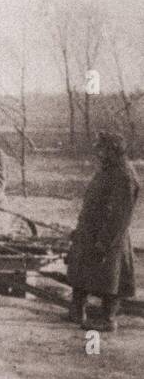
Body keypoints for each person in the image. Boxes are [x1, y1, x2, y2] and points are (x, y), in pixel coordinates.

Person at [66, 131, 139, 332]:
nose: (98, 152)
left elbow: (120, 215)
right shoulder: (107, 169)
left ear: (112, 150)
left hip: (109, 236)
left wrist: (104, 242)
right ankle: (77, 311)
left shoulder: (124, 174)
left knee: (110, 278)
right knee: (80, 268)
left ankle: (108, 319)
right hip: (90, 231)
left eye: (101, 148)